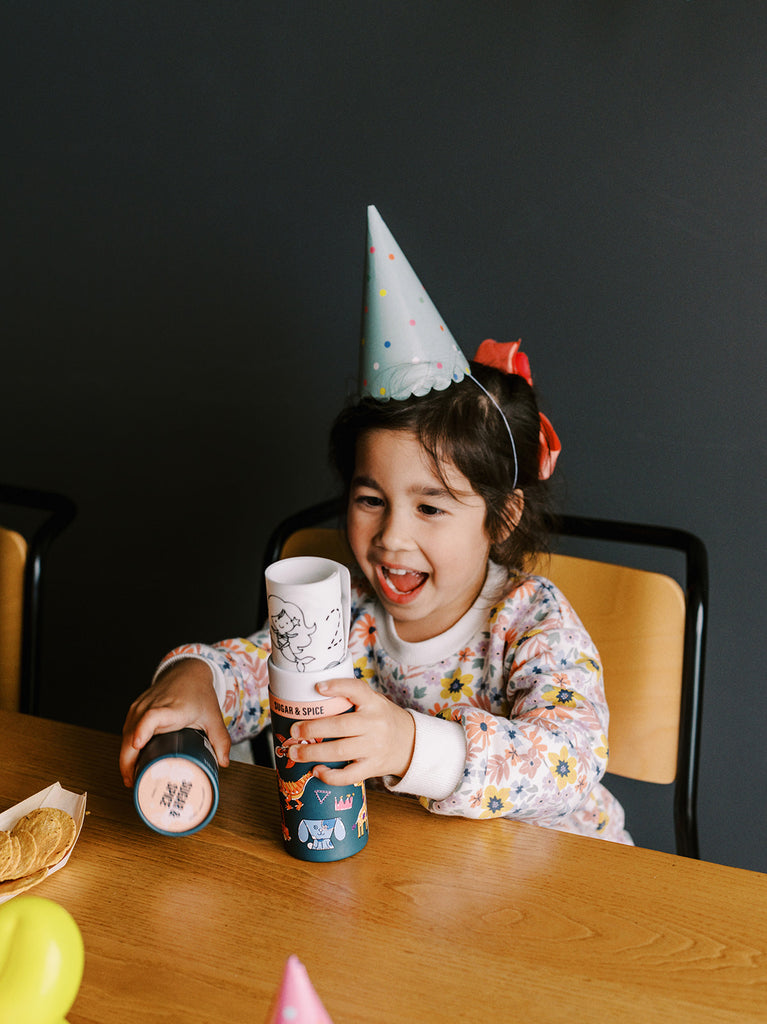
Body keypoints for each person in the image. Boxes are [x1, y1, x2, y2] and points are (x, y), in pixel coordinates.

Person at [119, 206, 631, 844]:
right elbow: (250, 671)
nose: (391, 537)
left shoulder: (529, 622)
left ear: (501, 518)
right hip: (418, 884)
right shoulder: (347, 616)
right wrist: (192, 682)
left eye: (431, 507)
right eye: (370, 499)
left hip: (563, 881)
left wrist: (411, 745)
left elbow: (570, 759)